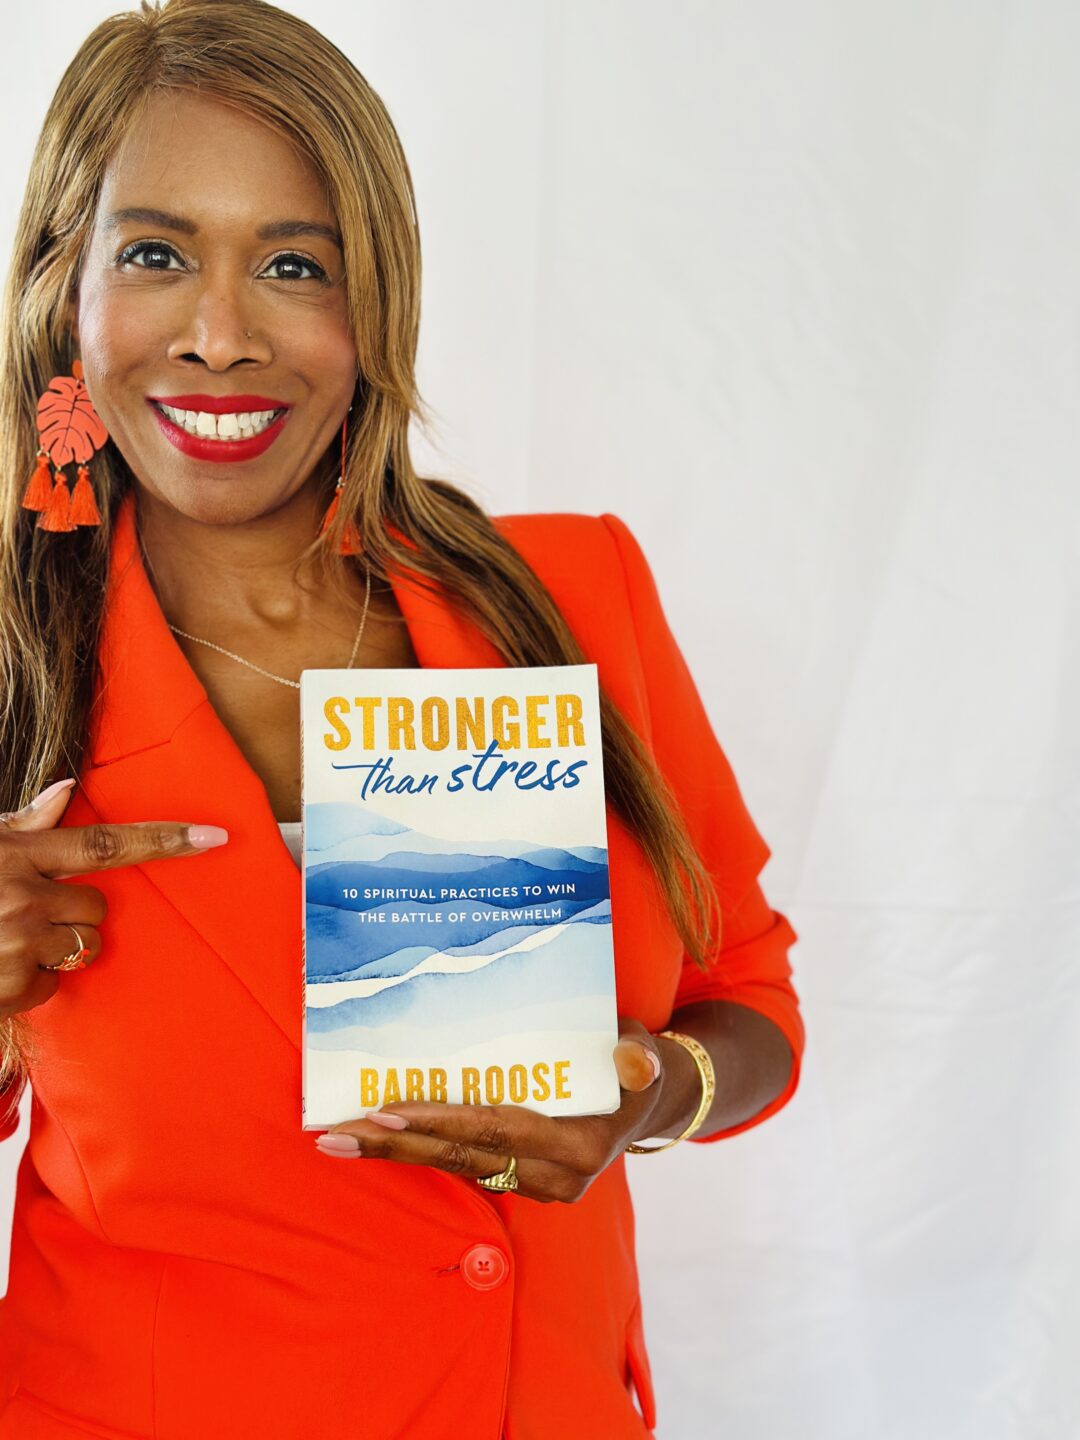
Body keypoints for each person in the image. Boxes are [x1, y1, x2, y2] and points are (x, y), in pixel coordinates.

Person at [0, 2, 805, 1436]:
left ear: (374, 308)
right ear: (67, 291)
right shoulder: (16, 664)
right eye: (157, 255)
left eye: (295, 264)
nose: (221, 335)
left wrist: (647, 1093)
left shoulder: (576, 593)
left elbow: (748, 988)